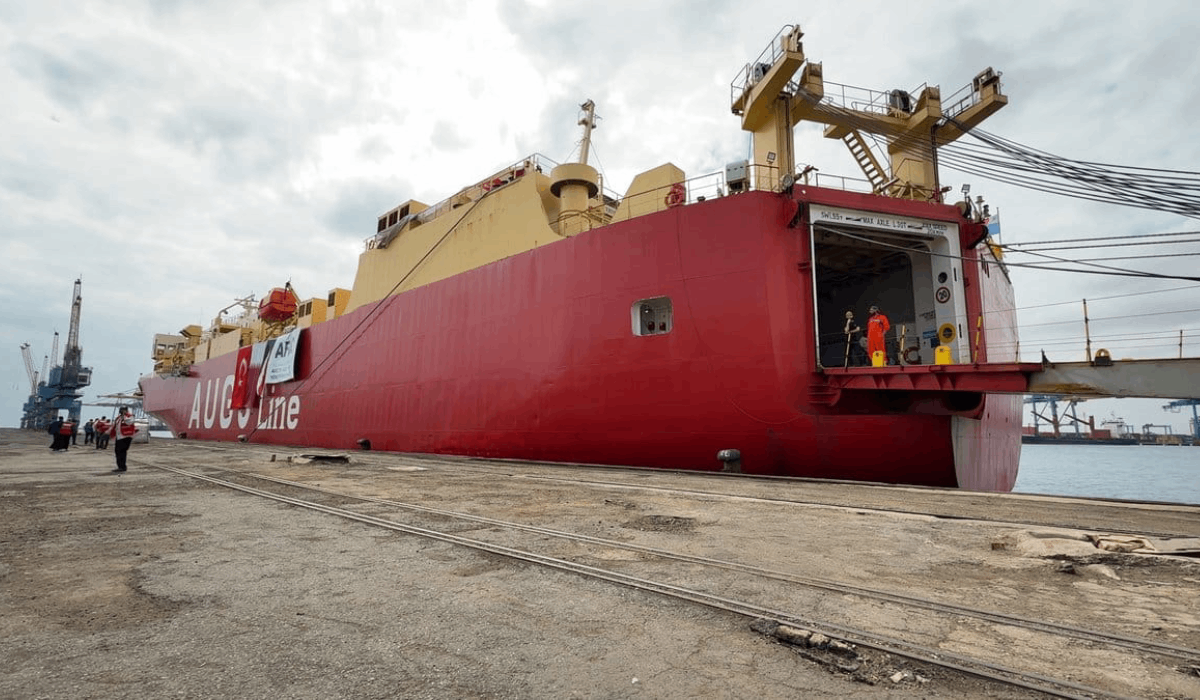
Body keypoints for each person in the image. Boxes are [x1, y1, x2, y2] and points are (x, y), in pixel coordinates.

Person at [108, 408, 138, 473]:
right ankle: (120, 466)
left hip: (126, 436)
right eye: (121, 410)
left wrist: (124, 416)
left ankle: (123, 467)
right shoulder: (118, 418)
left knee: (122, 452)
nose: (121, 411)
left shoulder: (130, 416)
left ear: (126, 411)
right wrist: (110, 433)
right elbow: (115, 426)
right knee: (117, 452)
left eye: (123, 410)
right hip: (119, 437)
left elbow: (129, 422)